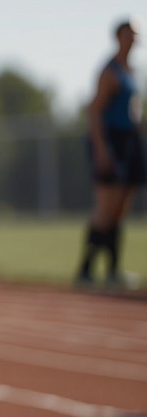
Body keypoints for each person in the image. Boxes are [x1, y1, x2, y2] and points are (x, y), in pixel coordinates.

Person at [78, 16, 143, 289]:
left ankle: (113, 271)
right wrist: (102, 149)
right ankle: (86, 271)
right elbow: (95, 112)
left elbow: (134, 109)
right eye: (130, 33)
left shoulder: (132, 71)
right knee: (106, 209)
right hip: (110, 142)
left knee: (120, 209)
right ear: (119, 37)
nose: (136, 38)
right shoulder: (110, 71)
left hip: (129, 142)